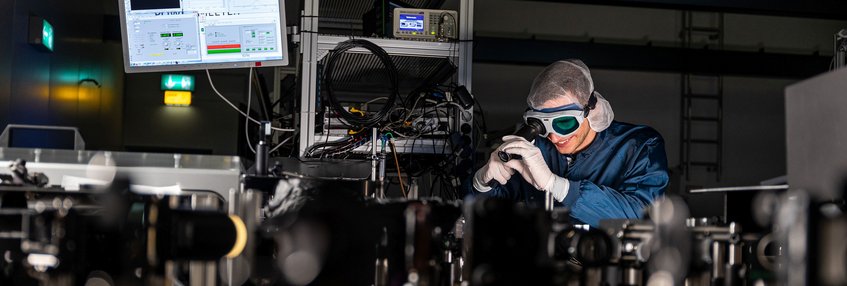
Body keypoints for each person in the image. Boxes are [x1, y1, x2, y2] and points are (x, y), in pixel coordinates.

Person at [471, 59, 669, 227]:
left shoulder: (640, 146)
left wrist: (555, 185)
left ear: (590, 109)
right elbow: (484, 212)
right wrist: (482, 181)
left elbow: (638, 218)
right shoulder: (535, 149)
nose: (554, 138)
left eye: (564, 123)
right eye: (542, 125)